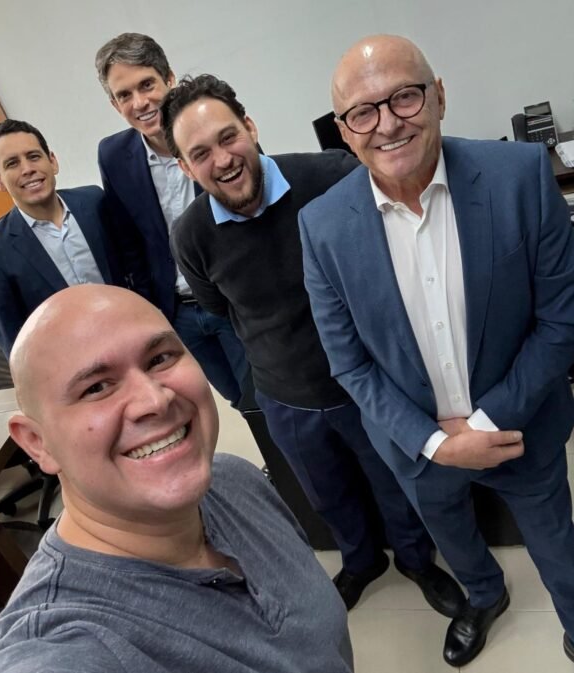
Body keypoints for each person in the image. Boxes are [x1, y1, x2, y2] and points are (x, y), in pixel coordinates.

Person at [299, 34, 574, 667]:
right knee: (454, 537)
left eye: (405, 97)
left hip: (521, 428)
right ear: (343, 131)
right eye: (362, 112)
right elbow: (349, 362)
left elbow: (561, 320)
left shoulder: (521, 177)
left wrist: (484, 425)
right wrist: (434, 443)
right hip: (417, 446)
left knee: (559, 547)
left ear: (439, 95)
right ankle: (484, 596)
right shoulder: (321, 227)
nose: (387, 123)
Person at [161, 74, 464, 615]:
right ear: (185, 167)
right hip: (285, 396)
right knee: (328, 496)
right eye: (200, 154)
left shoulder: (331, 177)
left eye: (228, 137)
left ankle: (417, 560)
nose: (222, 160)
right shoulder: (191, 235)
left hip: (366, 386)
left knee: (395, 485)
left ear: (250, 127)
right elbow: (219, 309)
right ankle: (361, 561)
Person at [0, 284, 354, 673]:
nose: (155, 400)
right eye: (96, 387)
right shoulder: (62, 646)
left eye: (159, 358)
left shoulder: (235, 480)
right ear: (37, 443)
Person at [94, 33, 249, 405]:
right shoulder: (113, 155)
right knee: (235, 400)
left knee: (266, 398)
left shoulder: (215, 132)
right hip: (177, 314)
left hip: (232, 302)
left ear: (169, 78)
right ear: (114, 104)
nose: (140, 102)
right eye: (124, 95)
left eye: (147, 85)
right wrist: (152, 316)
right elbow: (130, 245)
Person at [0, 119, 132, 356]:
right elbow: (13, 341)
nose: (27, 169)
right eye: (12, 163)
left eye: (34, 156)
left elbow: (132, 263)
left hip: (130, 331)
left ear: (53, 161)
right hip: (71, 359)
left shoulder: (94, 201)